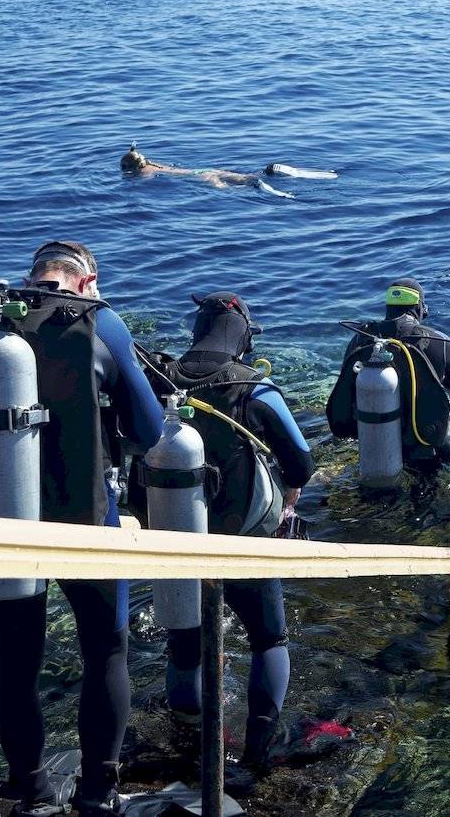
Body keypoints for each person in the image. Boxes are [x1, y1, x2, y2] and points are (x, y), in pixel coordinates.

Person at [0, 240, 165, 817]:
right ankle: (99, 793)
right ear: (88, 280)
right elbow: (150, 432)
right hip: (89, 518)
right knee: (107, 650)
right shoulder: (103, 323)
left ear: (34, 277)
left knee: (17, 662)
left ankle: (33, 790)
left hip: (1, 515)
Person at [132, 291, 315, 786]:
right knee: (268, 639)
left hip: (172, 536)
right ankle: (258, 749)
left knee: (184, 646)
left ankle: (187, 737)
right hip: (243, 542)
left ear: (196, 331)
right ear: (244, 338)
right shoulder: (255, 388)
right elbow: (301, 464)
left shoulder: (156, 380)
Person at [327, 277, 450, 465]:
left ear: (388, 307)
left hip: (373, 434)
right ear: (421, 308)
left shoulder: (361, 339)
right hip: (422, 442)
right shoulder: (438, 340)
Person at [119, 144, 335, 197]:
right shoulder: (154, 163)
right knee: (244, 178)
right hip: (205, 170)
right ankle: (268, 172)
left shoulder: (145, 171)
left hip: (205, 177)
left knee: (237, 188)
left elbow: (145, 182)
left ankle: (263, 183)